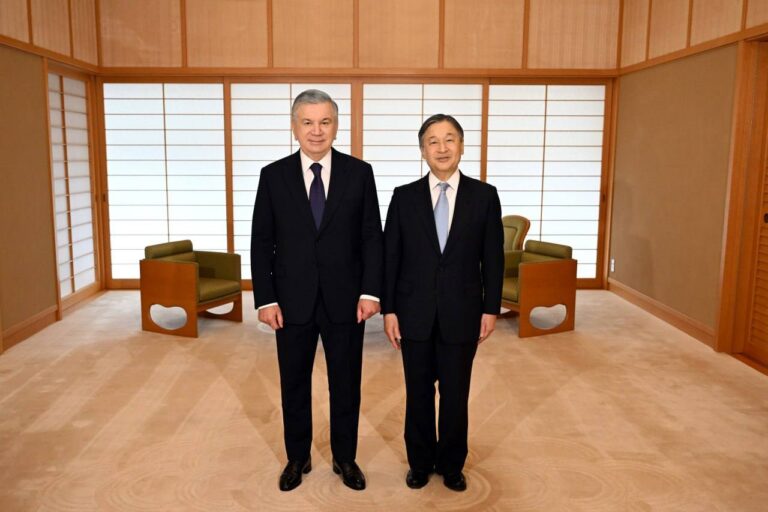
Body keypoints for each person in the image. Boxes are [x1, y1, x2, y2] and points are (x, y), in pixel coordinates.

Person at [250, 89, 383, 492]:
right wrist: (266, 298)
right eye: (307, 122)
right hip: (291, 302)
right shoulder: (272, 176)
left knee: (346, 382)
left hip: (346, 299)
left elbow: (371, 238)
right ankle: (297, 457)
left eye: (325, 121)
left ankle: (346, 458)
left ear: (336, 125)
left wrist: (371, 292)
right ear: (294, 127)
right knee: (293, 382)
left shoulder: (360, 173)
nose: (316, 130)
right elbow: (261, 241)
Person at [382, 114, 504, 492]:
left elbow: (494, 257)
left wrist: (491, 308)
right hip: (413, 313)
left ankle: (452, 464)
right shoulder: (403, 197)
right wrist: (389, 309)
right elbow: (391, 258)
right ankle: (419, 462)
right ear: (422, 151)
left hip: (463, 313)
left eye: (449, 139)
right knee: (418, 394)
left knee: (455, 395)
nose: (442, 148)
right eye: (433, 141)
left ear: (462, 146)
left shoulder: (484, 196)